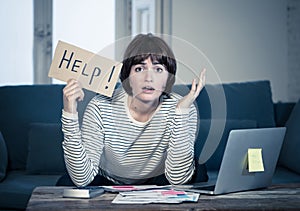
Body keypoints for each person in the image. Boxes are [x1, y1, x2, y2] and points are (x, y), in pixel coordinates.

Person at [57, 33, 207, 187]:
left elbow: (178, 180)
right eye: (139, 68)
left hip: (158, 180)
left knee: (198, 173)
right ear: (127, 75)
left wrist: (181, 113)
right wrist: (70, 113)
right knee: (67, 184)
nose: (149, 78)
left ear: (168, 78)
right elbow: (82, 178)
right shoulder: (100, 107)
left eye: (158, 69)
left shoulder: (182, 106)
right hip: (108, 180)